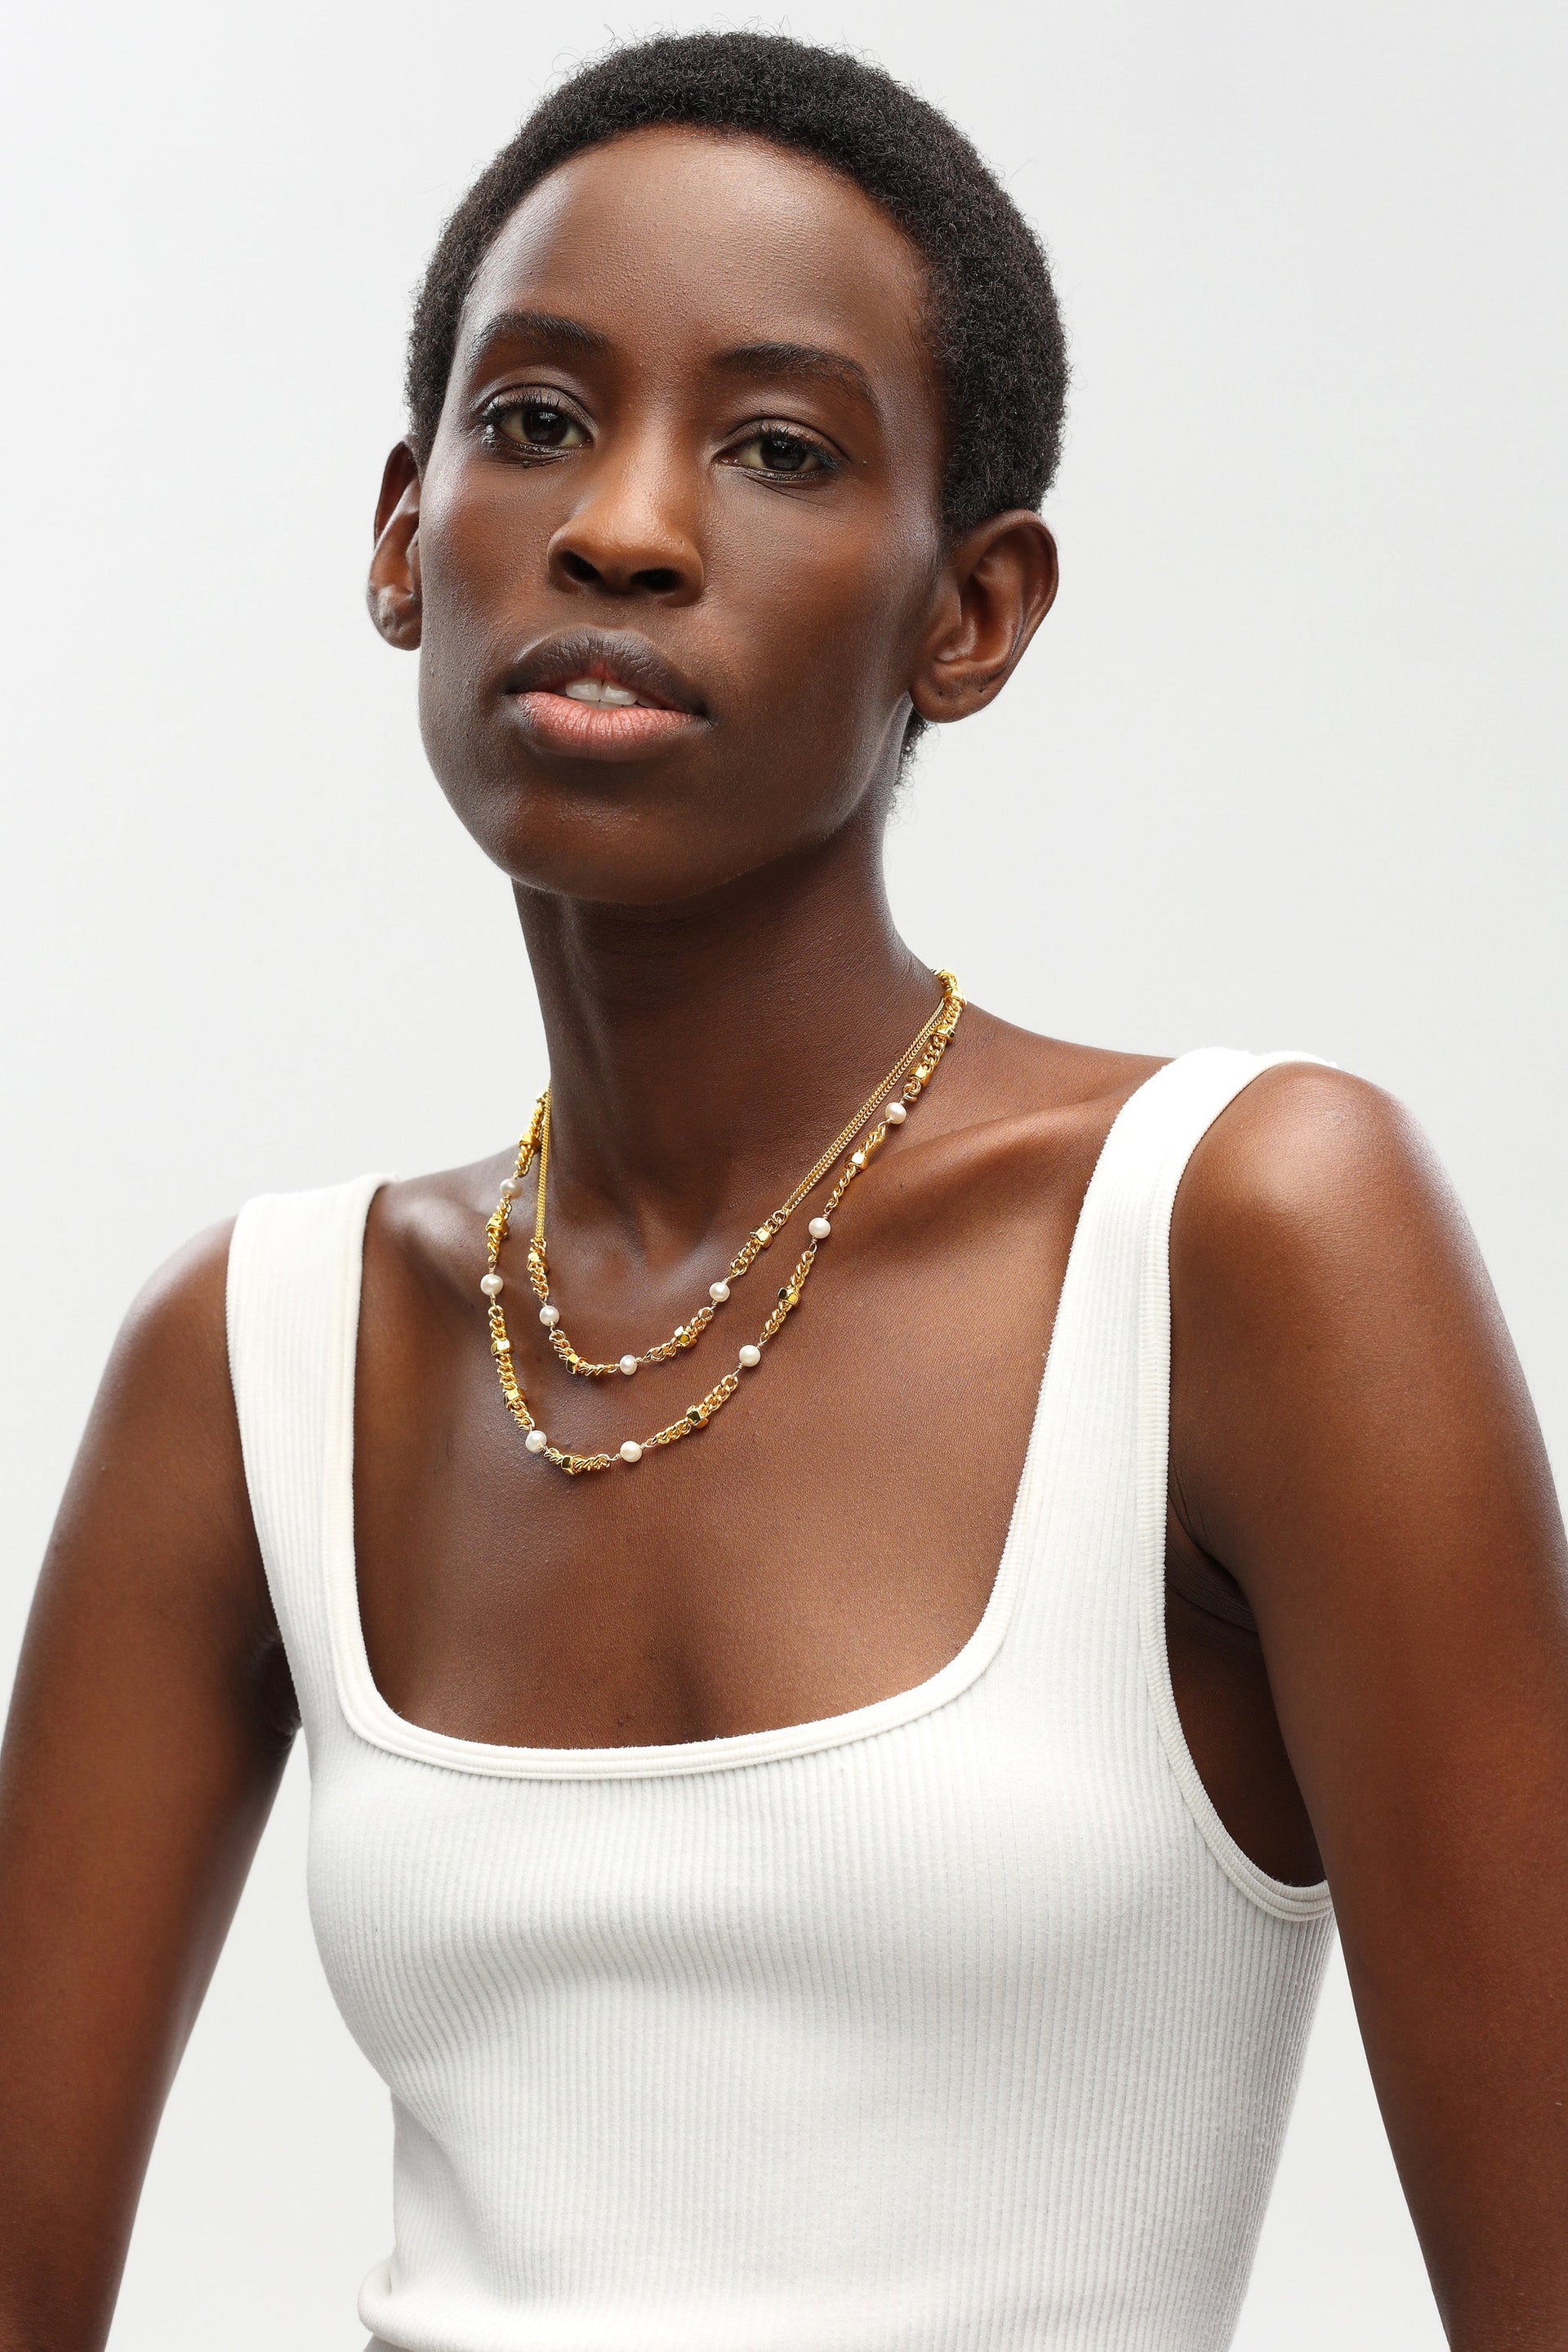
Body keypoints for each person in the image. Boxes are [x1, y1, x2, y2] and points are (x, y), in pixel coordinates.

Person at [1, 29, 1564, 2352]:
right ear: (404, 538)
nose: (625, 527)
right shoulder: (255, 1355)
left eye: (780, 450)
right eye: (537, 419)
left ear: (975, 610)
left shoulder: (1240, 1238)